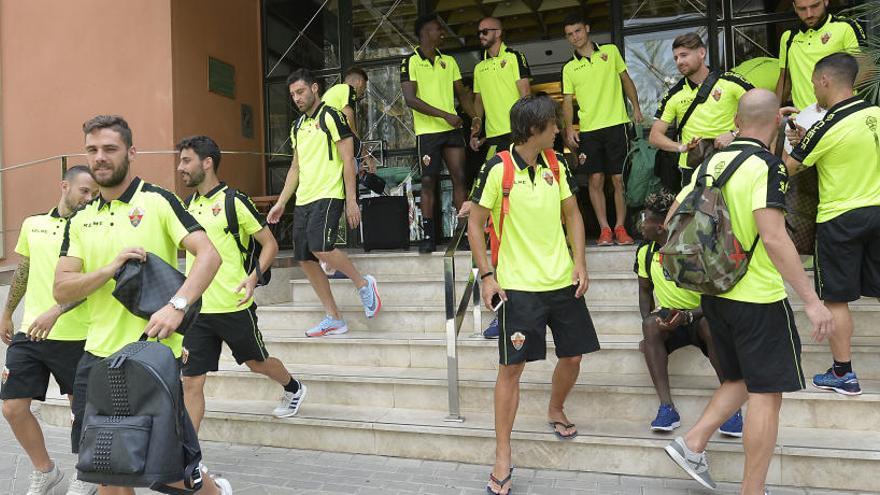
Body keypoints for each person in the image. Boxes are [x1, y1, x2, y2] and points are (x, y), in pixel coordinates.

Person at [663, 89, 834, 495]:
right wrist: (811, 301)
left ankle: (692, 443)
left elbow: (673, 216)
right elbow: (774, 238)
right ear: (777, 122)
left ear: (736, 122)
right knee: (767, 394)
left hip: (715, 293)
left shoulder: (710, 162)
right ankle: (753, 489)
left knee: (739, 378)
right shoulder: (767, 166)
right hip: (756, 298)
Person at [53, 115, 231, 495]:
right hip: (97, 360)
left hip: (151, 358)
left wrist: (178, 305)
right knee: (109, 469)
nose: (100, 157)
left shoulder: (157, 201)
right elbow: (62, 289)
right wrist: (110, 268)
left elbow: (209, 256)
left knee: (173, 475)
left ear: (131, 152)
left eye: (110, 149)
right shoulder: (81, 219)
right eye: (92, 150)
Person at [468, 95, 599, 495]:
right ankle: (503, 454)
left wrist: (580, 262)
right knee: (511, 369)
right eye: (553, 125)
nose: (559, 129)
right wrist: (487, 277)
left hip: (561, 280)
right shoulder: (497, 168)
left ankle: (555, 406)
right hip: (517, 287)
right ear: (532, 130)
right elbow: (475, 224)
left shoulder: (556, 165)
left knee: (573, 356)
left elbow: (573, 214)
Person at [176, 135, 307, 427]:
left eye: (186, 160)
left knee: (256, 363)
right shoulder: (187, 207)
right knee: (191, 382)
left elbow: (270, 244)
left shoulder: (235, 201)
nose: (179, 167)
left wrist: (253, 278)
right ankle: (187, 456)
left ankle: (293, 387)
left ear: (207, 163)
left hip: (235, 305)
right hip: (198, 310)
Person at [784, 52, 880, 396]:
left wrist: (799, 143)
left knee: (837, 299)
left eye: (812, 83)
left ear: (825, 81)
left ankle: (843, 374)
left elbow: (788, 168)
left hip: (841, 218)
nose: (813, 90)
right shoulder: (876, 113)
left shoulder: (826, 125)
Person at [1, 166, 98, 495]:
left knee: (81, 410)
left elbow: (92, 284)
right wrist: (7, 312)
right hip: (30, 333)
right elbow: (24, 271)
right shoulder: (33, 224)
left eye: (94, 194)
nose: (89, 199)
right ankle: (46, 471)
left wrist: (57, 312)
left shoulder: (92, 229)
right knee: (12, 406)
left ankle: (86, 474)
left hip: (78, 335)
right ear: (64, 186)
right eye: (84, 191)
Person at [267, 68, 381, 337]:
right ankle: (334, 317)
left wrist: (351, 200)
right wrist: (282, 202)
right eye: (293, 94)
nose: (297, 98)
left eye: (301, 91)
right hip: (304, 198)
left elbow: (347, 159)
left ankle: (363, 283)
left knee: (321, 248)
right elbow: (295, 168)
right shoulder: (298, 126)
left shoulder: (332, 115)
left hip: (329, 194)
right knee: (304, 258)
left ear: (315, 88)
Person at [635, 191, 742, 436]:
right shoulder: (646, 252)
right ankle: (666, 408)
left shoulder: (694, 246)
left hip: (701, 314)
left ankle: (732, 408)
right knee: (651, 326)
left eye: (646, 219)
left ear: (661, 226)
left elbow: (717, 295)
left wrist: (689, 316)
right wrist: (649, 321)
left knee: (709, 328)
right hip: (670, 316)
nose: (642, 224)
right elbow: (644, 290)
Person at [467, 15, 531, 339]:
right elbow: (478, 104)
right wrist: (476, 127)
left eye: (486, 31)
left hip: (517, 136)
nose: (481, 36)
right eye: (478, 32)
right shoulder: (479, 68)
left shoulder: (515, 57)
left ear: (499, 32)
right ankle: (502, 308)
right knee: (493, 214)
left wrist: (526, 136)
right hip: (493, 139)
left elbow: (525, 96)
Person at [561, 13, 642, 246]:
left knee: (618, 179)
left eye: (577, 31)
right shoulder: (569, 68)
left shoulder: (611, 51)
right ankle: (605, 229)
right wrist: (569, 128)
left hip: (616, 124)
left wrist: (635, 107)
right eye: (569, 34)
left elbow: (626, 79)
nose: (574, 37)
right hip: (589, 130)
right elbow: (567, 101)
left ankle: (620, 227)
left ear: (586, 28)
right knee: (595, 179)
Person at [401, 12, 476, 253]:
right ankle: (428, 236)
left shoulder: (449, 61)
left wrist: (474, 117)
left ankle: (462, 233)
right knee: (428, 181)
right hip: (428, 132)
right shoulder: (410, 61)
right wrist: (445, 114)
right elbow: (410, 100)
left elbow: (463, 94)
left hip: (452, 130)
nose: (441, 33)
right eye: (436, 29)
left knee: (459, 178)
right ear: (424, 33)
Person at [649, 32, 753, 187]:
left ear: (702, 53)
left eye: (684, 55)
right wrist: (681, 147)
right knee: (695, 212)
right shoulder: (674, 94)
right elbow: (654, 136)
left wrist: (734, 134)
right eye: (676, 58)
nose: (679, 61)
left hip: (733, 159)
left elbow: (763, 112)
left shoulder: (731, 80)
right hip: (693, 168)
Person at [775, 0, 864, 110]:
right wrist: (772, 115)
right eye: (802, 9)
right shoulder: (788, 37)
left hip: (840, 113)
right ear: (794, 7)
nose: (809, 14)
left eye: (815, 6)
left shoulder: (845, 27)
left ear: (825, 1)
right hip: (802, 119)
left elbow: (865, 72)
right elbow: (785, 80)